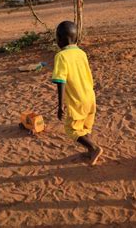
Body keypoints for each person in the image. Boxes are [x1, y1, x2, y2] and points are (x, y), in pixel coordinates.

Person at [52, 21, 103, 165]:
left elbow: (60, 81)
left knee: (71, 129)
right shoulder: (81, 53)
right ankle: (90, 152)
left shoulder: (61, 56)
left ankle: (93, 148)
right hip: (90, 96)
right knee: (85, 126)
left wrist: (60, 105)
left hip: (77, 100)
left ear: (60, 39)